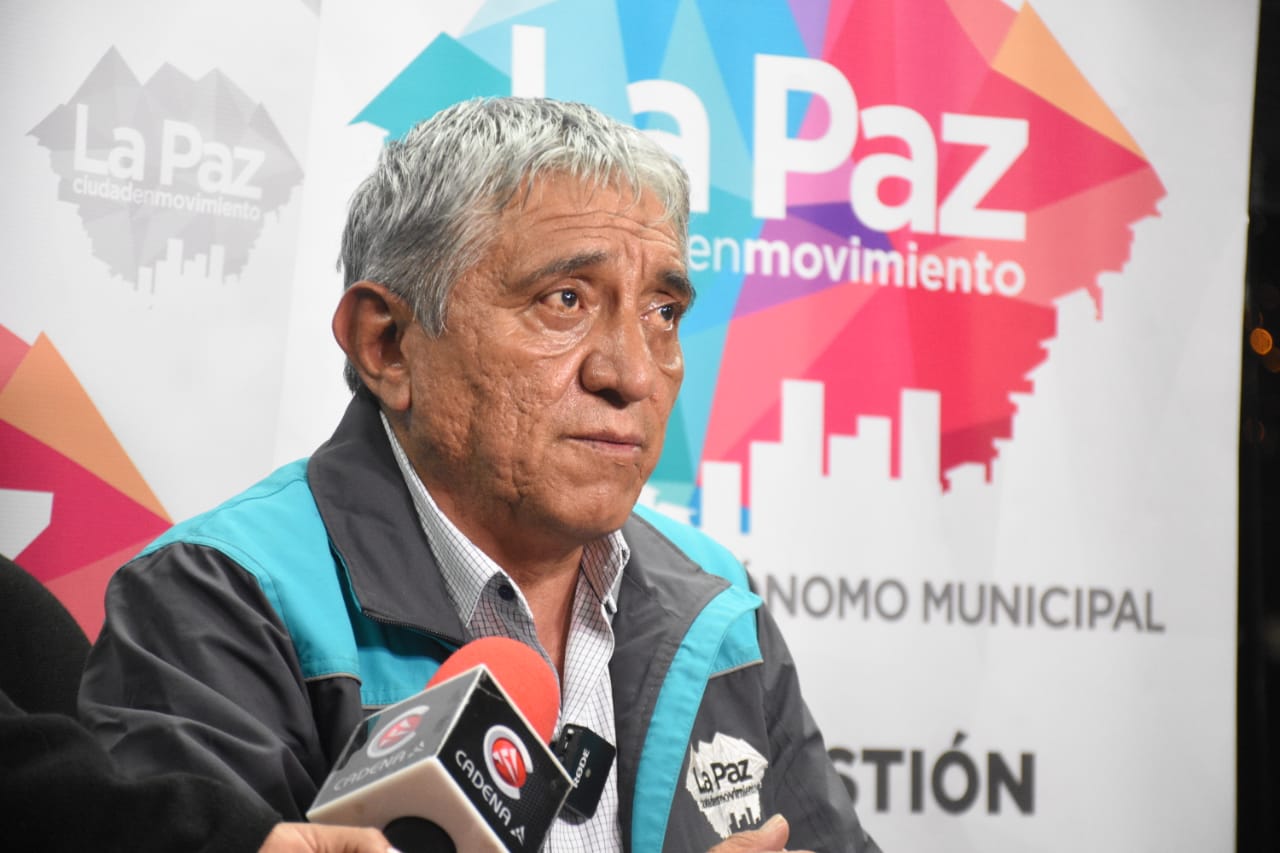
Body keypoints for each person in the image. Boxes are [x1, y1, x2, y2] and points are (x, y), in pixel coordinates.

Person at [78, 97, 880, 852]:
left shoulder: (715, 597)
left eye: (662, 313)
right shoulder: (216, 596)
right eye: (565, 299)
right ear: (388, 345)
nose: (632, 374)